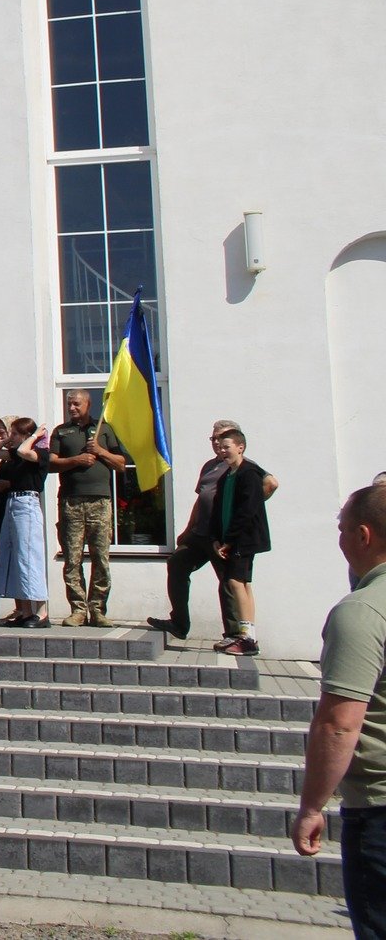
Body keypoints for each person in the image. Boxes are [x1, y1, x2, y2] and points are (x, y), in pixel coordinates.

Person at [293, 475, 386, 936]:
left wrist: (312, 806)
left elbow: (338, 724)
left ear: (363, 535)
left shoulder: (362, 611)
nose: (339, 538)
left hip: (379, 811)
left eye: (342, 527)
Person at [149, 419, 281, 645]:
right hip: (201, 533)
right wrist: (188, 529)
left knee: (230, 582)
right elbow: (201, 499)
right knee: (177, 563)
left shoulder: (243, 465)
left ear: (237, 442)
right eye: (213, 439)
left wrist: (244, 513)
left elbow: (271, 484)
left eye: (221, 439)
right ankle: (179, 623)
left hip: (223, 535)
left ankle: (235, 635)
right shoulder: (209, 466)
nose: (217, 443)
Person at [48, 389, 127, 626]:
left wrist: (100, 451)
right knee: (72, 559)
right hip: (71, 502)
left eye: (76, 404)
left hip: (100, 502)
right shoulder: (61, 431)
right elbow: (51, 464)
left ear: (88, 404)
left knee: (100, 558)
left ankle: (98, 610)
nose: (72, 408)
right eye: (69, 404)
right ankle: (78, 610)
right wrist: (76, 460)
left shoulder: (105, 429)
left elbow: (121, 464)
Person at [0, 416, 50, 627]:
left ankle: (41, 612)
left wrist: (34, 437)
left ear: (26, 435)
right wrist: (5, 440)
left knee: (30, 556)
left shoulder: (39, 453)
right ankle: (24, 611)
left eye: (15, 433)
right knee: (14, 557)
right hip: (12, 503)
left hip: (28, 503)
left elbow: (24, 451)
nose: (11, 436)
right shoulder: (16, 453)